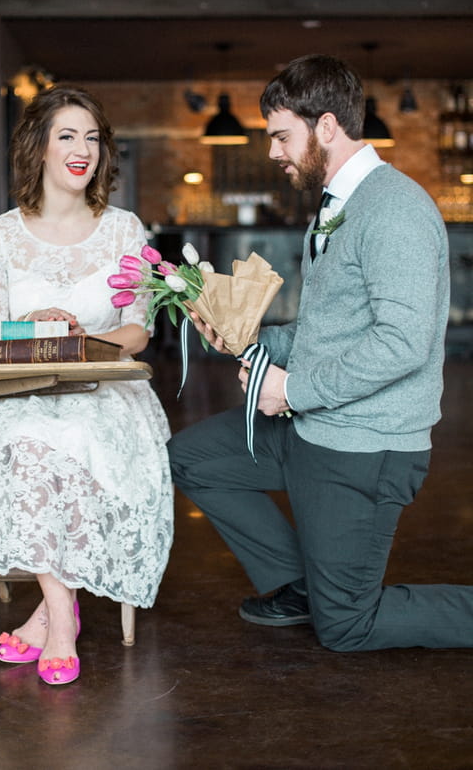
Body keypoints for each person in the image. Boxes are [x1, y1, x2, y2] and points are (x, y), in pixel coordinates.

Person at [168, 53, 473, 652]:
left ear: (327, 127)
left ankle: (333, 600)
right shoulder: (336, 206)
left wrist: (293, 389)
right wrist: (252, 340)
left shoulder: (396, 209)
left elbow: (403, 342)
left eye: (283, 136)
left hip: (364, 446)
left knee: (347, 628)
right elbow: (329, 330)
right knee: (192, 458)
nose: (274, 152)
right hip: (314, 428)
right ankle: (306, 586)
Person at [0, 83, 173, 684]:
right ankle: (61, 611)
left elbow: (137, 332)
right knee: (27, 443)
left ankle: (49, 619)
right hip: (23, 391)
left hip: (107, 391)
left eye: (93, 138)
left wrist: (87, 341)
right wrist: (34, 325)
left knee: (73, 433)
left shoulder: (125, 229)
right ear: (38, 148)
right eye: (67, 136)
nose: (82, 150)